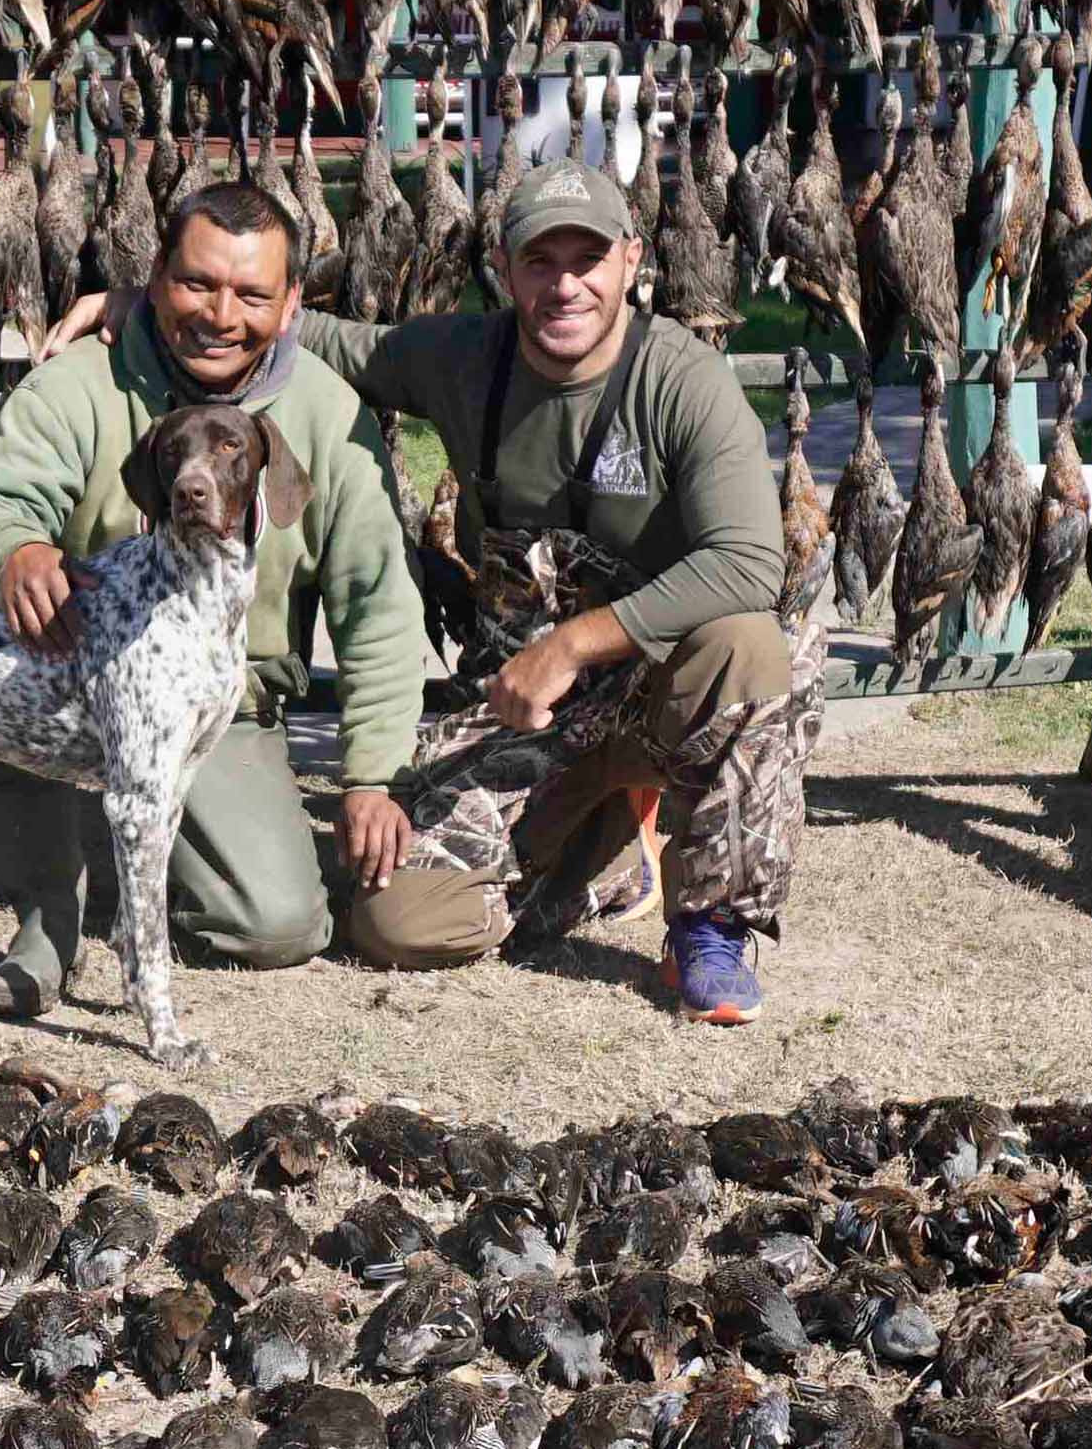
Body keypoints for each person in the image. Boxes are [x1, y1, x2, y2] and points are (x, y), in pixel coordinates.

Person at [0, 175, 481, 1016]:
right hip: (70, 674)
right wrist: (18, 549)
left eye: (251, 294)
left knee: (279, 925)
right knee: (12, 656)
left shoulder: (327, 416)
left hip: (221, 703)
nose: (220, 314)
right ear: (155, 277)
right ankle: (49, 922)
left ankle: (148, 882)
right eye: (197, 283)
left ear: (291, 305)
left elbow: (378, 602)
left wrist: (372, 775)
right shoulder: (83, 384)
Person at [305, 156, 815, 1027]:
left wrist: (570, 644)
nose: (565, 285)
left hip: (665, 692)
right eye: (540, 262)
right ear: (503, 270)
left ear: (632, 260)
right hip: (526, 711)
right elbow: (321, 341)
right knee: (396, 921)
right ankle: (603, 855)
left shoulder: (684, 382)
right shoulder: (463, 359)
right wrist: (152, 309)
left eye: (587, 259)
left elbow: (747, 564)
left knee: (751, 644)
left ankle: (712, 925)